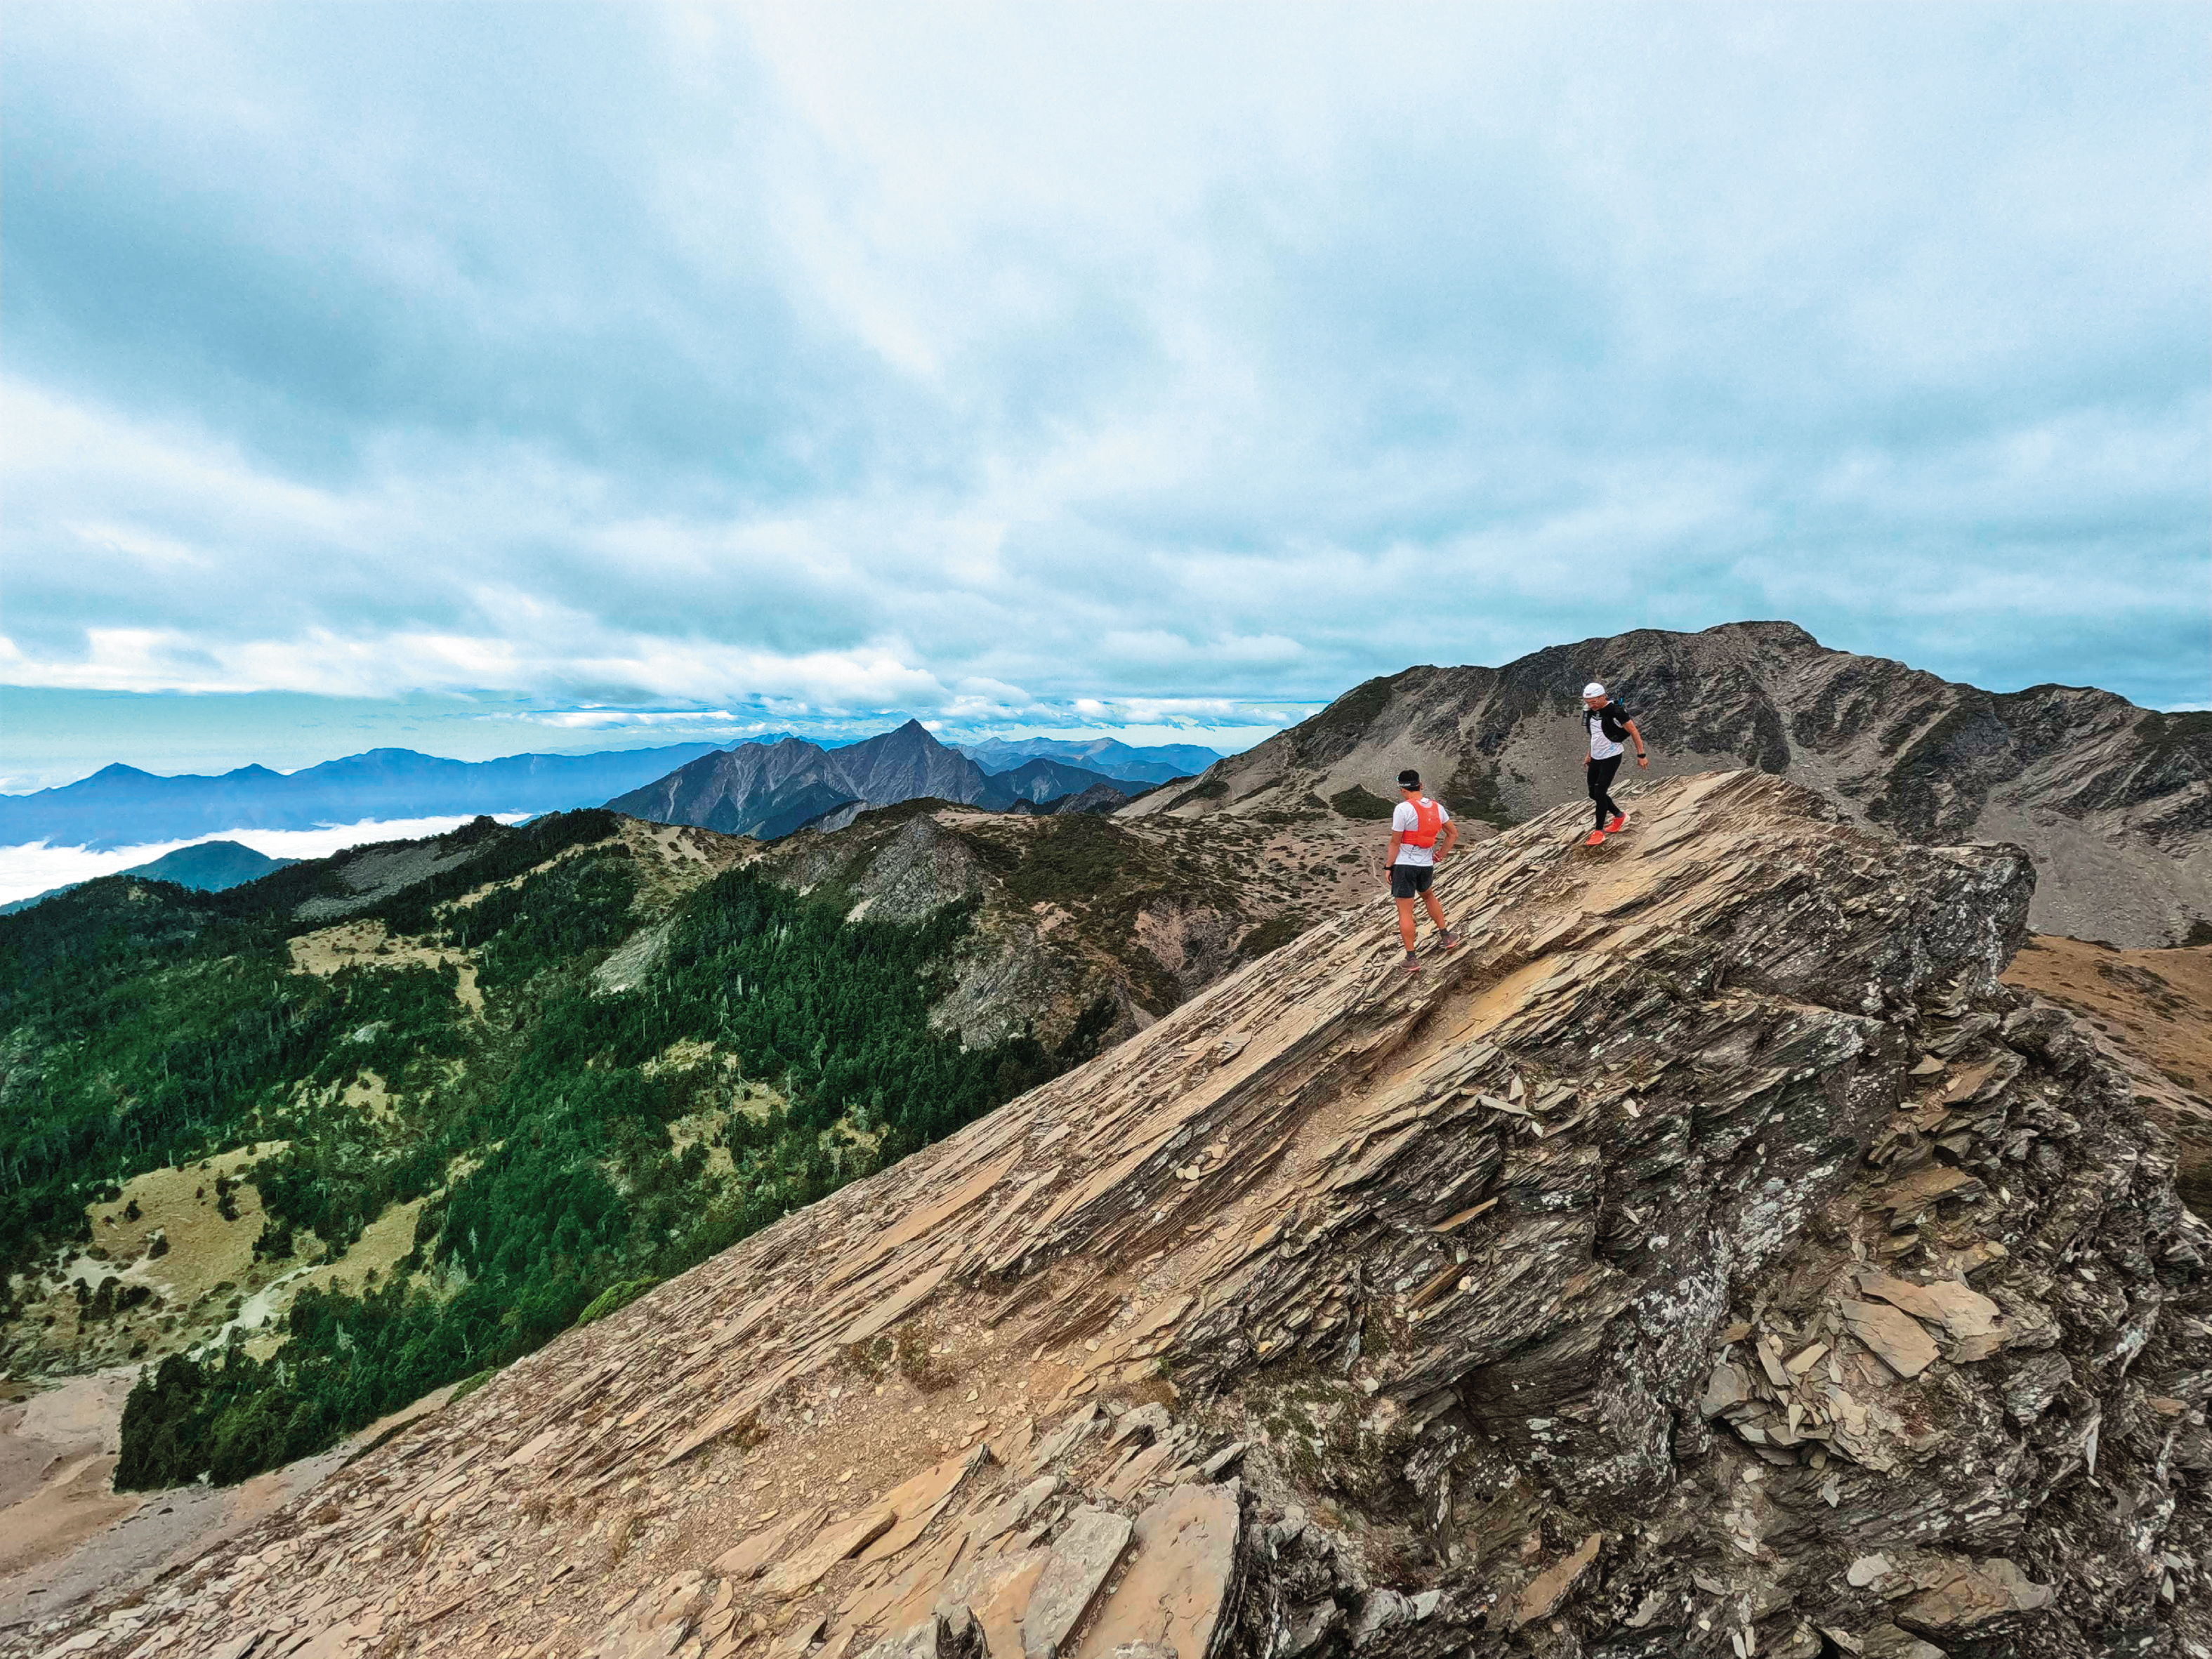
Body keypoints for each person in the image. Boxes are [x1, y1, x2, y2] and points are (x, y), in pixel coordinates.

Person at [1384, 768, 1461, 972]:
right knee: (1429, 896)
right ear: (1421, 785)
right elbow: (1453, 834)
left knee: (1405, 911)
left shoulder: (1402, 809)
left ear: (1402, 789)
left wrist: (1389, 866)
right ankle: (1446, 937)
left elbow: (1395, 842)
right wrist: (1440, 855)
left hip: (1405, 865)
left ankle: (1411, 958)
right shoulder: (1437, 808)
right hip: (1426, 864)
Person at [1579, 681, 1648, 846]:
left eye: (1594, 701)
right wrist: (1589, 754)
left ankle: (1599, 831)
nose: (1591, 705)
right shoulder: (1590, 712)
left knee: (1600, 792)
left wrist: (1641, 754)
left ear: (1604, 696)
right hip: (1596, 757)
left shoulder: (1615, 711)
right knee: (1592, 793)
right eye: (1588, 702)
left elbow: (1633, 731)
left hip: (1612, 756)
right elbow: (1595, 735)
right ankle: (1619, 816)